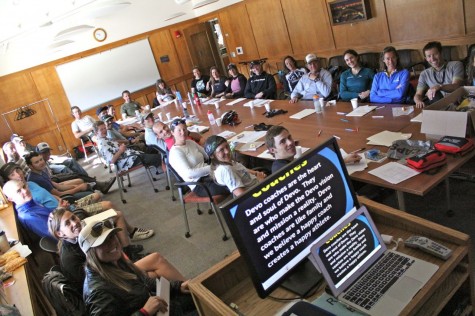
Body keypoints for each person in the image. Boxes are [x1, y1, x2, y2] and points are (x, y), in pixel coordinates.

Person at [48, 208, 178, 294]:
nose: (75, 223)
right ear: (59, 233)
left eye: (73, 218)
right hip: (109, 280)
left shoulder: (78, 237)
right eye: (67, 223)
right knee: (156, 260)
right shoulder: (69, 259)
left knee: (156, 270)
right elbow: (92, 282)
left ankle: (188, 291)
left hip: (112, 270)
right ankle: (193, 290)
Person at [80, 220, 196, 315]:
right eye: (102, 242)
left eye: (111, 236)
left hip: (156, 307)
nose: (112, 242)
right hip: (149, 311)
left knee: (199, 295)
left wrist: (177, 286)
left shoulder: (116, 262)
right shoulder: (97, 292)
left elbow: (143, 281)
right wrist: (144, 312)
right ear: (91, 253)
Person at [168, 119, 229, 197]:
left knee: (235, 174)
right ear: (172, 133)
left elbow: (207, 154)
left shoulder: (191, 142)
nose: (183, 132)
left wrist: (221, 153)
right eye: (179, 130)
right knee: (231, 181)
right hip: (199, 184)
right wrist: (213, 167)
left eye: (184, 129)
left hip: (210, 174)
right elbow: (189, 174)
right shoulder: (175, 152)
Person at [265, 126, 361, 173]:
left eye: (289, 137)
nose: (290, 142)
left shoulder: (282, 163)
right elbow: (315, 173)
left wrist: (344, 160)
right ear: (272, 150)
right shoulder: (286, 171)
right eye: (282, 141)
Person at [25, 152, 101, 200]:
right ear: (30, 166)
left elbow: (57, 185)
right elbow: (59, 194)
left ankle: (96, 187)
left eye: (41, 159)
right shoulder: (37, 179)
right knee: (94, 194)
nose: (41, 163)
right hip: (61, 199)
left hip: (59, 191)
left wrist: (75, 186)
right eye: (36, 162)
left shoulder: (41, 171)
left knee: (81, 183)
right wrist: (78, 188)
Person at [94, 121, 161, 173]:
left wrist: (123, 146)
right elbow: (111, 161)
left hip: (131, 154)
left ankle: (161, 166)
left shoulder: (105, 138)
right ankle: (166, 169)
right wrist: (120, 150)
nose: (104, 130)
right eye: (101, 129)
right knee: (159, 158)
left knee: (153, 148)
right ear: (96, 132)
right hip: (127, 160)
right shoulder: (102, 144)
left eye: (104, 128)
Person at [414, 41, 465, 108]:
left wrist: (439, 87)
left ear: (441, 53)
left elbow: (456, 86)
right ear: (426, 59)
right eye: (429, 56)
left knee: (435, 92)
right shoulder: (424, 74)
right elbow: (418, 94)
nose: (432, 59)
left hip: (456, 103)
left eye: (435, 54)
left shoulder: (456, 65)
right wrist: (418, 101)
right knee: (433, 94)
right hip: (437, 105)